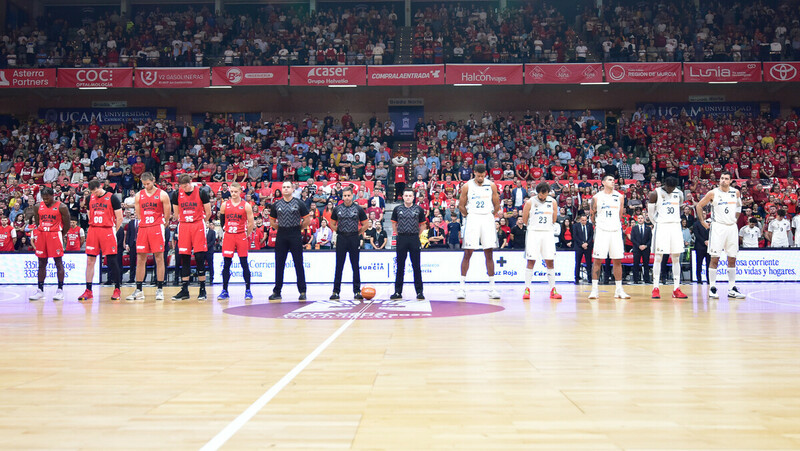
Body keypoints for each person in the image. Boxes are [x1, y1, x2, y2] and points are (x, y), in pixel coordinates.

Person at [695, 171, 745, 299]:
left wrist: (735, 218)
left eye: (726, 178)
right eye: (722, 178)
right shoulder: (713, 193)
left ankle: (732, 288)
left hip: (732, 228)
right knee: (714, 258)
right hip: (718, 228)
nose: (723, 180)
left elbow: (739, 207)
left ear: (730, 180)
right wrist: (702, 222)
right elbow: (699, 206)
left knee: (732, 258)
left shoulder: (736, 192)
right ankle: (712, 287)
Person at [456, 164, 501, 300]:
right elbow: (461, 206)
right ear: (474, 173)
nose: (480, 178)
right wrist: (468, 216)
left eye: (482, 176)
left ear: (485, 174)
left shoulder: (491, 185)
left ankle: (492, 288)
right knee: (468, 252)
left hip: (487, 217)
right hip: (473, 218)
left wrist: (490, 214)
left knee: (489, 253)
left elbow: (497, 204)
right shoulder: (467, 186)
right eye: (478, 175)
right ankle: (462, 288)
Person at [125, 173, 171, 302]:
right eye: (144, 184)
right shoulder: (139, 195)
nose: (146, 186)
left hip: (157, 227)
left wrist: (161, 225)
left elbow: (167, 216)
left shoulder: (163, 194)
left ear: (153, 180)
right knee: (140, 258)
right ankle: (139, 290)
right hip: (143, 228)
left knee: (159, 257)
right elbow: (139, 215)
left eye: (148, 184)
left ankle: (160, 289)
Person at [79, 180, 123, 302]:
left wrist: (114, 230)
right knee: (90, 261)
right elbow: (89, 215)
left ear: (101, 187)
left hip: (108, 230)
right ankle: (88, 290)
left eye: (96, 191)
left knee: (112, 260)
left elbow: (119, 217)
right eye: (92, 192)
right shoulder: (89, 199)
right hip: (94, 230)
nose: (95, 194)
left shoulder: (112, 198)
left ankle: (117, 289)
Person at [170, 174, 212, 301]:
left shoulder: (202, 192)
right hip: (184, 225)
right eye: (182, 186)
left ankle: (202, 288)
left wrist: (200, 222)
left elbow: (208, 212)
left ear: (191, 182)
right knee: (185, 257)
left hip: (197, 224)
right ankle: (185, 289)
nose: (184, 188)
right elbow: (176, 214)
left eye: (186, 186)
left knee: (199, 257)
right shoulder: (176, 194)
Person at [588, 174, 630, 300]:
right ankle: (594, 290)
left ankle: (619, 290)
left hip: (615, 230)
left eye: (613, 180)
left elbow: (620, 214)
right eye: (610, 180)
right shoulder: (596, 197)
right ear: (603, 182)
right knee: (597, 260)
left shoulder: (620, 196)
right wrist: (599, 226)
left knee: (617, 260)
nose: (613, 182)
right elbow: (592, 215)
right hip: (602, 230)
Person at [269, 181, 311, 301]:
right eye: (284, 187)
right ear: (282, 189)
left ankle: (302, 291)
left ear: (293, 189)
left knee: (298, 263)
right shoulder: (276, 204)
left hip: (295, 234)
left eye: (288, 187)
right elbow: (272, 221)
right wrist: (281, 229)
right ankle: (277, 291)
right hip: (281, 234)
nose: (286, 189)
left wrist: (298, 229)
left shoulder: (299, 203)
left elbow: (307, 220)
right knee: (279, 264)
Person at [648, 176, 688, 299]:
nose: (671, 190)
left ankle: (676, 288)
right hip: (662, 226)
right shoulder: (655, 193)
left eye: (673, 188)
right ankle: (655, 287)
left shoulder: (679, 193)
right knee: (658, 257)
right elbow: (650, 213)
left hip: (675, 226)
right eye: (669, 188)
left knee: (676, 257)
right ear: (665, 185)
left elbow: (679, 207)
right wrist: (657, 224)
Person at [29, 187, 71, 301]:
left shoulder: (62, 207)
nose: (46, 200)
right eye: (44, 198)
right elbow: (37, 222)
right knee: (41, 263)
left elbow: (67, 224)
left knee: (58, 262)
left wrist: (60, 234)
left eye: (47, 198)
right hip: (42, 235)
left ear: (53, 196)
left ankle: (60, 290)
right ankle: (40, 290)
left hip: (55, 234)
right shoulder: (38, 206)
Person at [521, 182, 561, 300]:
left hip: (547, 233)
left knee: (550, 261)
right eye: (541, 194)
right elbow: (524, 219)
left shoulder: (552, 202)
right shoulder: (530, 202)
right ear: (537, 192)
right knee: (531, 261)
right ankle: (527, 289)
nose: (543, 197)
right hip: (534, 233)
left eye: (545, 194)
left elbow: (554, 219)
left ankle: (553, 289)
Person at [330, 186, 369, 300]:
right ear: (342, 196)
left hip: (353, 238)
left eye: (348, 195)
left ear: (352, 196)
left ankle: (357, 291)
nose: (346, 198)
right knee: (339, 266)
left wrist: (358, 233)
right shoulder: (337, 209)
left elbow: (365, 224)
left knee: (355, 266)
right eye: (345, 196)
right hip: (341, 238)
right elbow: (332, 224)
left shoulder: (358, 209)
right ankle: (335, 292)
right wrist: (338, 231)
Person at [217, 182, 255, 302]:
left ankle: (248, 290)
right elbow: (222, 221)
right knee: (227, 263)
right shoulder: (225, 205)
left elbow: (251, 223)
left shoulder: (246, 205)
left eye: (235, 192)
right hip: (229, 236)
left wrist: (246, 234)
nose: (233, 194)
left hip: (240, 236)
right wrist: (226, 230)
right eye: (232, 191)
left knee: (244, 263)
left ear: (240, 192)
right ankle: (224, 290)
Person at [390, 189, 426, 300]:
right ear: (403, 197)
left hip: (414, 238)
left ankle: (419, 292)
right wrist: (399, 234)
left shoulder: (418, 209)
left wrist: (416, 235)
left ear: (413, 197)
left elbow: (423, 225)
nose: (408, 197)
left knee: (416, 266)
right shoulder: (397, 209)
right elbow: (394, 224)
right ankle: (397, 292)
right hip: (401, 238)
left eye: (410, 195)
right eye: (406, 195)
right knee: (400, 266)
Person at [629, 214, 652, 285]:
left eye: (642, 218)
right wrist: (639, 245)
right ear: (637, 220)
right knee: (636, 264)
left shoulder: (648, 228)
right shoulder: (634, 228)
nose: (640, 219)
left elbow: (650, 239)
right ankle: (636, 280)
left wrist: (645, 246)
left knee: (646, 264)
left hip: (646, 249)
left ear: (644, 219)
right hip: (637, 249)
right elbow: (632, 239)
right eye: (639, 218)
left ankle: (647, 280)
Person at [573, 214, 593, 283]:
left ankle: (590, 278)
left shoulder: (590, 225)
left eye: (585, 220)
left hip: (588, 246)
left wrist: (587, 243)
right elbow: (575, 236)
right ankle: (577, 278)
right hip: (579, 247)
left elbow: (591, 236)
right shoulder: (576, 226)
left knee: (589, 263)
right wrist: (582, 244)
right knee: (578, 263)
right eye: (582, 220)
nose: (584, 221)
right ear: (580, 220)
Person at [693, 217, 710, 283]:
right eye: (702, 214)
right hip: (700, 246)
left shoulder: (709, 223)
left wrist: (709, 241)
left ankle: (709, 279)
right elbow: (696, 234)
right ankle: (699, 279)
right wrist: (704, 241)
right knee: (699, 263)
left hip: (708, 246)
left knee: (708, 264)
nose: (703, 215)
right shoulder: (696, 224)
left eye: (705, 213)